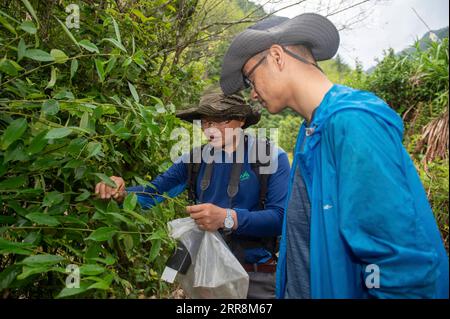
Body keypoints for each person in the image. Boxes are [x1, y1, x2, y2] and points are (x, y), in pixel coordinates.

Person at [219, 13, 449, 299]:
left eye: (250, 79)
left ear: (277, 57)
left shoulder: (352, 124)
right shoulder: (311, 131)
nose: (253, 94)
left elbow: (398, 264)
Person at [94, 91, 291, 299]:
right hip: (207, 273)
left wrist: (227, 217)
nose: (211, 130)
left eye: (221, 120)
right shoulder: (195, 160)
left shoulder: (270, 158)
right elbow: (153, 193)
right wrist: (120, 191)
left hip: (255, 277)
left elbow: (280, 218)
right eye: (205, 122)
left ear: (241, 120)